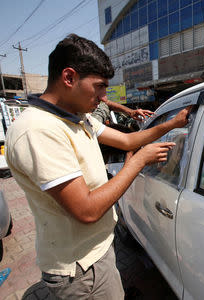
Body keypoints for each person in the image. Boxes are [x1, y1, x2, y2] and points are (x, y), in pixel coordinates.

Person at [4, 34, 190, 299]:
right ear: (69, 78)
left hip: (95, 252)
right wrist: (138, 161)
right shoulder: (39, 130)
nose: (104, 97)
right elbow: (87, 210)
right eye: (99, 86)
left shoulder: (79, 118)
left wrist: (171, 124)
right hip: (79, 270)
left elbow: (127, 139)